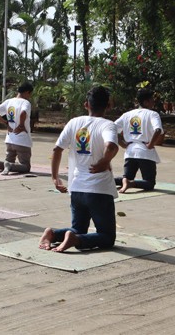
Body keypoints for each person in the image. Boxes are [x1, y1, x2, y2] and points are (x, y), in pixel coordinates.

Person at [39, 86, 119, 252]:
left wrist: (55, 177)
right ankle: (75, 240)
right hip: (99, 189)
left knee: (78, 228)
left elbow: (57, 150)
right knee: (107, 236)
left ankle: (53, 234)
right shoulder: (108, 125)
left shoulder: (74, 122)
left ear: (86, 105)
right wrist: (104, 161)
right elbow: (111, 146)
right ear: (108, 106)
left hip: (77, 188)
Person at [114, 88, 165, 193]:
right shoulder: (152, 114)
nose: (153, 102)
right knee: (149, 183)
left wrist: (122, 144)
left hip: (130, 151)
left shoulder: (127, 115)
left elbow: (112, 128)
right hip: (145, 152)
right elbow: (158, 130)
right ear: (146, 102)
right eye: (152, 100)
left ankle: (109, 181)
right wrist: (151, 144)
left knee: (126, 177)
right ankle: (131, 184)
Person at [0, 82, 34, 175]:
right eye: (30, 94)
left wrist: (5, 123)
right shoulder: (26, 103)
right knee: (25, 166)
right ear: (27, 92)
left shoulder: (9, 101)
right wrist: (21, 125)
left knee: (8, 161)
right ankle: (11, 166)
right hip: (22, 140)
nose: (30, 96)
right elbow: (23, 113)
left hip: (10, 139)